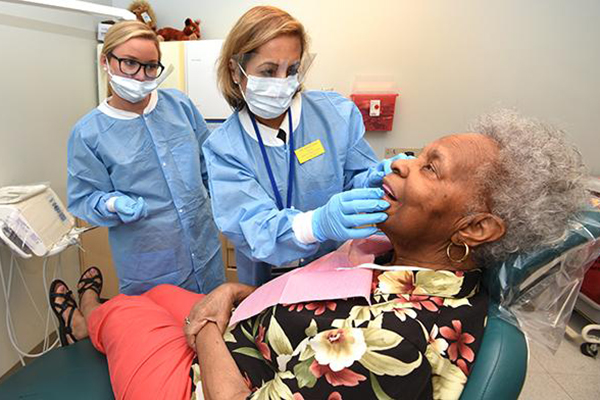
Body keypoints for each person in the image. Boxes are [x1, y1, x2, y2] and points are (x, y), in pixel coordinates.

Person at [51, 111, 588, 399]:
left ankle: (84, 320)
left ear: (477, 227)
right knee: (165, 293)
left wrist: (205, 329)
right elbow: (309, 296)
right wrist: (236, 293)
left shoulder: (392, 339)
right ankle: (104, 317)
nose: (397, 163)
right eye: (415, 153)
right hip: (251, 330)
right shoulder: (395, 254)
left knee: (131, 308)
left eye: (429, 166)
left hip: (212, 382)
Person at [203, 6, 403, 286]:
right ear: (235, 71)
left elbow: (355, 183)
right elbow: (254, 228)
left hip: (339, 268)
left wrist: (372, 181)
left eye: (292, 69)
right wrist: (317, 224)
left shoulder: (334, 114)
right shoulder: (225, 148)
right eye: (269, 70)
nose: (283, 82)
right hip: (265, 280)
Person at [67, 21, 224, 295]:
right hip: (150, 265)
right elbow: (83, 198)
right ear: (106, 61)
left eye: (151, 66)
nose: (141, 76)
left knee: (213, 324)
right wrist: (113, 203)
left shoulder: (179, 106)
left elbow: (211, 166)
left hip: (205, 249)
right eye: (129, 63)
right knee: (162, 333)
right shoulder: (88, 133)